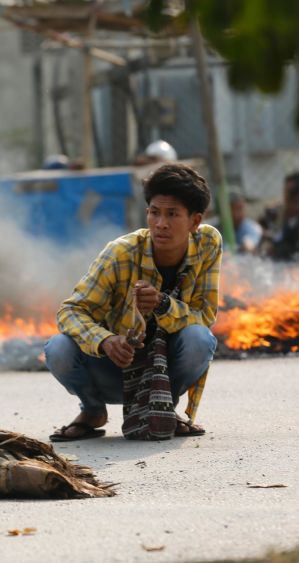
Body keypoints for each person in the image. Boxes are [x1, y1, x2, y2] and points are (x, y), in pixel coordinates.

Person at [45, 163, 220, 441]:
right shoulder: (121, 253)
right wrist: (105, 341)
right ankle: (92, 410)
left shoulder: (208, 243)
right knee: (58, 348)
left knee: (200, 339)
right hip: (113, 369)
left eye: (172, 214)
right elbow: (71, 311)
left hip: (166, 365)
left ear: (195, 221)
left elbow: (206, 315)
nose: (160, 223)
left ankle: (163, 406)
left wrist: (164, 305)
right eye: (154, 212)